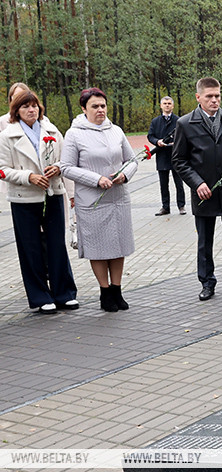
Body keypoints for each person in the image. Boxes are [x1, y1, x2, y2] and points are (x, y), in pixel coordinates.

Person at [172, 77, 222, 301]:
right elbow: (179, 160)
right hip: (204, 193)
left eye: (217, 95)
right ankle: (207, 282)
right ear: (198, 97)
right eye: (209, 96)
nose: (215, 100)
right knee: (204, 242)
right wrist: (197, 183)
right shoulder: (185, 124)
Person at [0, 89, 78, 314]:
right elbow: (3, 169)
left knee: (56, 244)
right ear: (16, 111)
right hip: (24, 198)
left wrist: (57, 168)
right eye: (25, 106)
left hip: (51, 194)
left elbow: (66, 161)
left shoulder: (52, 130)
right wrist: (29, 177)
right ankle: (40, 296)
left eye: (34, 105)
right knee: (30, 247)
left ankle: (64, 293)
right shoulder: (7, 136)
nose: (31, 110)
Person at [60, 88, 138, 312]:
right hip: (92, 200)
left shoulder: (116, 130)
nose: (101, 110)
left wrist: (125, 174)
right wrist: (96, 179)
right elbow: (66, 167)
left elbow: (131, 159)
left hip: (118, 197)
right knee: (99, 247)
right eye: (95, 106)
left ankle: (117, 289)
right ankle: (104, 292)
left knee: (119, 245)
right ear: (84, 108)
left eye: (103, 105)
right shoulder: (74, 134)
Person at [147, 96, 185, 216]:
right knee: (163, 184)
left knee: (179, 183)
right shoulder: (155, 121)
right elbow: (150, 136)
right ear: (161, 105)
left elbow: (184, 136)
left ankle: (181, 206)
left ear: (173, 106)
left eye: (169, 103)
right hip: (162, 155)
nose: (167, 105)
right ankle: (165, 207)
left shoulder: (179, 121)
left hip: (176, 155)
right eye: (165, 103)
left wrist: (176, 143)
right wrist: (157, 142)